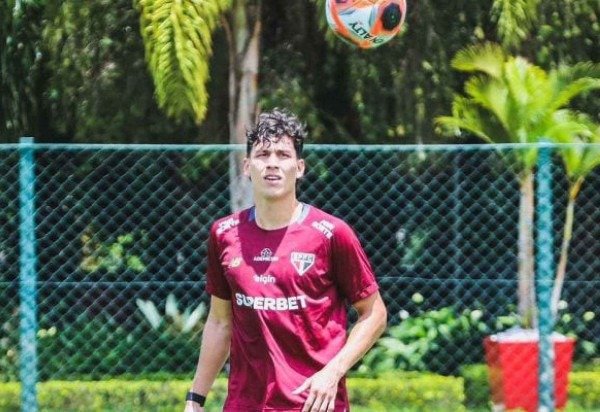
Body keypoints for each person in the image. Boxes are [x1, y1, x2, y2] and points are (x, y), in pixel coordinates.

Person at [185, 108, 387, 412]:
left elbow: (374, 313)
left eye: (283, 155)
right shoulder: (224, 234)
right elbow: (219, 322)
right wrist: (195, 399)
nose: (272, 163)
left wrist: (333, 372)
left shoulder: (331, 234)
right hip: (245, 405)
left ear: (300, 167)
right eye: (263, 154)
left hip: (313, 405)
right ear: (247, 166)